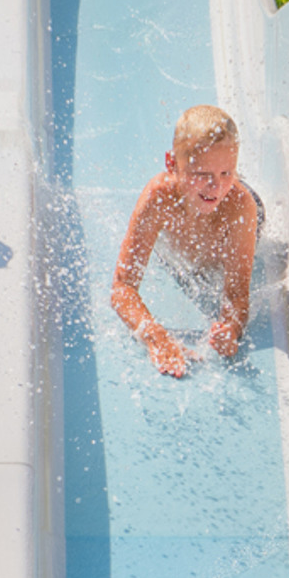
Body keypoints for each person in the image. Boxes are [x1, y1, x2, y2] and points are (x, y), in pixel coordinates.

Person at [111, 104, 260, 378]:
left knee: (240, 196)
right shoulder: (158, 198)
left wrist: (231, 328)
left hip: (246, 209)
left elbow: (237, 295)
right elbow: (122, 287)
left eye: (226, 173)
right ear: (171, 163)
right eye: (202, 175)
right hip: (185, 238)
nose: (215, 186)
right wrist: (155, 335)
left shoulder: (239, 207)